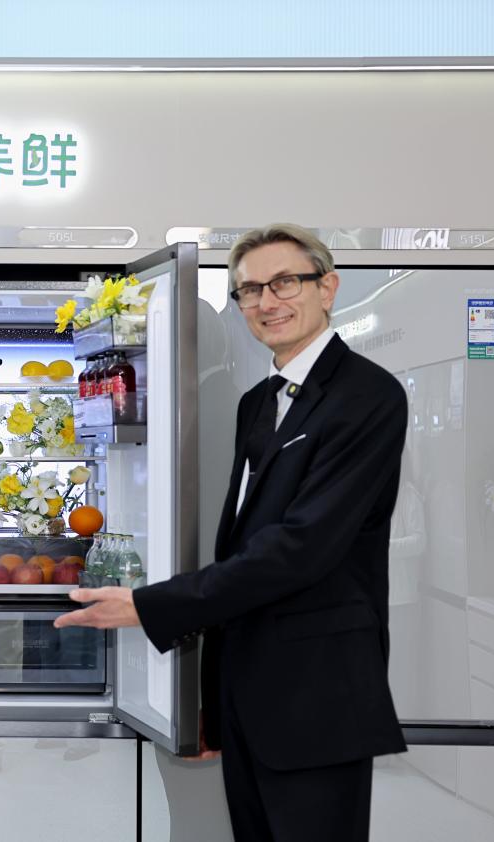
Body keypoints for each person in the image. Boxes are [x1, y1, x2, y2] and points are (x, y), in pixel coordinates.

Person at [56, 224, 407, 841]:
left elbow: (299, 549)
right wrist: (210, 704)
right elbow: (239, 548)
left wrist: (148, 605)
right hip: (249, 694)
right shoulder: (259, 402)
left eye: (284, 283)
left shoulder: (366, 395)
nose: (266, 302)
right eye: (249, 290)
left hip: (317, 695)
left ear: (327, 288)